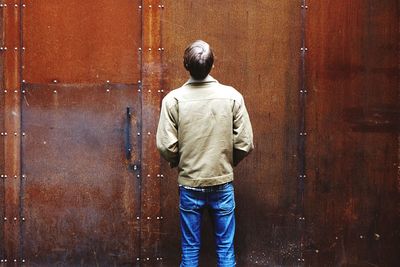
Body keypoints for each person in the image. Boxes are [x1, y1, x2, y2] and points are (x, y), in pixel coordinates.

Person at [156, 40, 254, 267]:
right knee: (225, 252)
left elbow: (164, 145)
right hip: (222, 183)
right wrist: (226, 162)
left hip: (189, 185)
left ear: (185, 65)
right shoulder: (232, 97)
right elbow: (245, 142)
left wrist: (182, 163)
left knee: (190, 252)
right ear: (213, 64)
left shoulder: (173, 100)